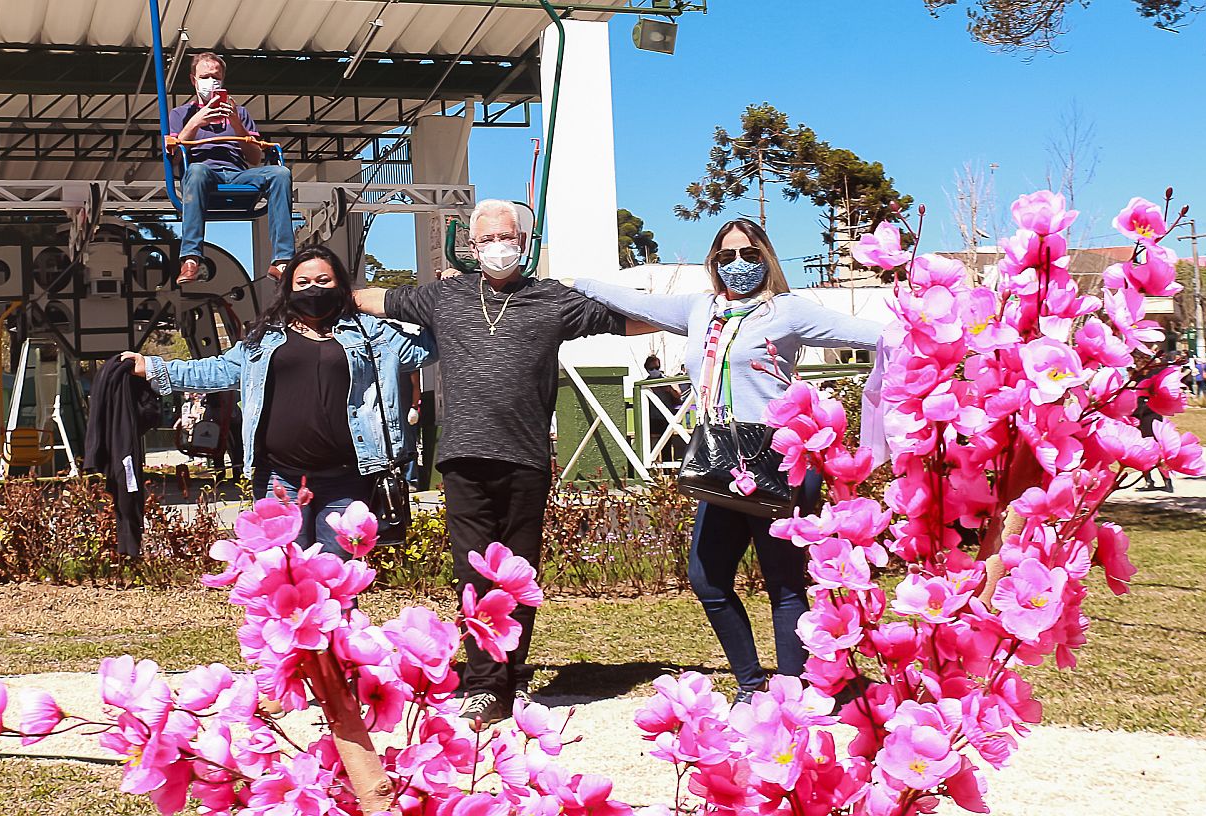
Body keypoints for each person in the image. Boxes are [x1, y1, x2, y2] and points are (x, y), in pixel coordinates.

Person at [353, 199, 644, 725]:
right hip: (463, 457)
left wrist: (702, 314)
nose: (496, 247)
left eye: (505, 236)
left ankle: (507, 673)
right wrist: (321, 293)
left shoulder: (553, 301)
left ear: (524, 240)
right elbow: (377, 299)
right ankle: (485, 682)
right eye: (485, 240)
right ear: (470, 246)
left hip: (526, 457)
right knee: (471, 572)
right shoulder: (445, 296)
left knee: (518, 575)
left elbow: (629, 322)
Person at [573, 218, 885, 704]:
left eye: (749, 254)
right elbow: (635, 301)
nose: (738, 265)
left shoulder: (788, 311)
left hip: (779, 458)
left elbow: (874, 335)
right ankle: (750, 682)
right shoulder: (700, 309)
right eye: (726, 256)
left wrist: (937, 332)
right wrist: (576, 281)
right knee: (707, 576)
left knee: (783, 583)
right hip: (721, 460)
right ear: (714, 262)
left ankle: (793, 692)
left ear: (767, 257)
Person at [122, 245, 435, 555]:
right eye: (303, 283)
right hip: (278, 478)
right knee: (281, 574)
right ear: (289, 289)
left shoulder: (373, 335)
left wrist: (440, 297)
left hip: (347, 479)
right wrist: (151, 367)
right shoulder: (265, 338)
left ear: (341, 285)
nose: (313, 289)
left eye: (324, 281)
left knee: (337, 578)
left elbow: (431, 345)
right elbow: (216, 370)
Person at [170, 52, 293, 284]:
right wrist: (196, 122)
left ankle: (282, 260)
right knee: (195, 171)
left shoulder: (240, 113)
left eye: (215, 77)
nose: (210, 82)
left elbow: (255, 158)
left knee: (280, 173)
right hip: (205, 173)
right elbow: (174, 158)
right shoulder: (181, 114)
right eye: (204, 77)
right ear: (193, 80)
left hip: (238, 174)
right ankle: (191, 258)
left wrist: (236, 123)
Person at [642, 354, 686, 462]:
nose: (655, 371)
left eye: (657, 368)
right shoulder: (644, 384)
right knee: (652, 448)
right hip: (652, 419)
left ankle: (668, 472)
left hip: (666, 419)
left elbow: (678, 395)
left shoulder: (668, 380)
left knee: (667, 447)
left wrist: (669, 390)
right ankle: (654, 471)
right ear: (647, 369)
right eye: (651, 369)